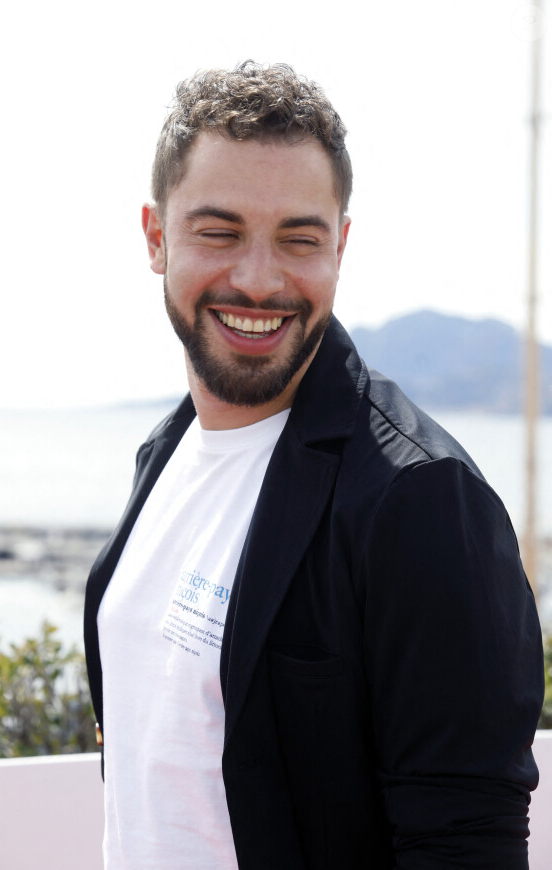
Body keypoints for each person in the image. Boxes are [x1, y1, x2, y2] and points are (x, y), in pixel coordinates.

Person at [84, 61, 544, 869]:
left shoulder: (421, 498)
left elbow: (465, 842)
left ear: (341, 244)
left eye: (300, 238)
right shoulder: (165, 452)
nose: (259, 280)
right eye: (219, 232)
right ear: (156, 238)